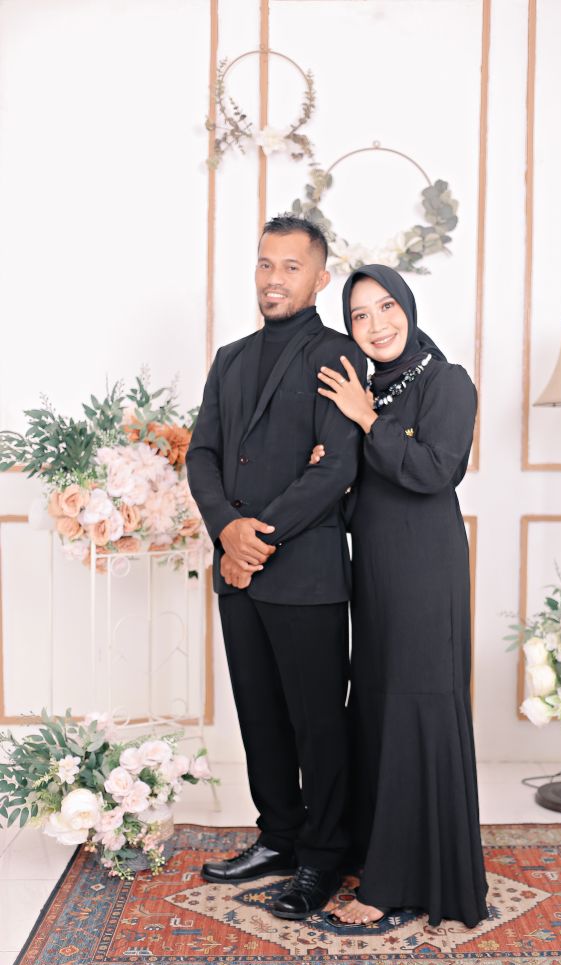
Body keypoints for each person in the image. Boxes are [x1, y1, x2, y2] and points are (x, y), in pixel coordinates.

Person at [186, 215, 366, 921]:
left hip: (305, 574)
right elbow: (202, 453)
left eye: (291, 267)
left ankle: (323, 856)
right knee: (259, 715)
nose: (274, 278)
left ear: (319, 279)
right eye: (265, 264)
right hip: (237, 572)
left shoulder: (337, 354)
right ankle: (278, 837)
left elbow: (336, 468)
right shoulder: (229, 358)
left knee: (317, 724)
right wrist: (225, 530)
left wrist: (254, 539)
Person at [313, 264, 489, 929]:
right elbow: (362, 491)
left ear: (409, 310)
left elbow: (435, 470)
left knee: (417, 705)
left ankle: (400, 881)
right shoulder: (367, 390)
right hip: (375, 573)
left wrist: (366, 421)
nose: (376, 324)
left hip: (424, 571)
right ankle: (376, 853)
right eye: (359, 315)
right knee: (379, 705)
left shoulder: (447, 382)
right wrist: (330, 465)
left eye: (386, 307)